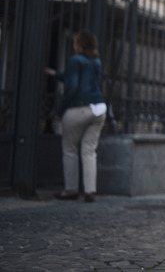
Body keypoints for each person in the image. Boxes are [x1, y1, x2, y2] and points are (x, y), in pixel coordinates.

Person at [45, 30, 107, 202]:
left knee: (70, 149)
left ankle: (71, 189)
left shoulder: (75, 60)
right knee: (89, 150)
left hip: (78, 109)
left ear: (78, 44)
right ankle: (89, 191)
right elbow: (87, 79)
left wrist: (59, 111)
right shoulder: (96, 62)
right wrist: (56, 74)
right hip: (99, 108)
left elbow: (72, 86)